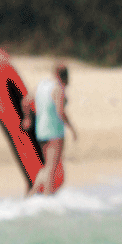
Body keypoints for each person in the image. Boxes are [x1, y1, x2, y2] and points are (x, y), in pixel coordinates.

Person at [21, 63, 77, 194]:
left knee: (47, 166)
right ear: (66, 76)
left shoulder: (42, 85)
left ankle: (31, 195)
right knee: (52, 168)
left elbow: (26, 101)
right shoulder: (58, 89)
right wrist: (72, 128)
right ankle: (47, 197)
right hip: (55, 131)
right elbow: (60, 112)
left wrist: (27, 118)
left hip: (41, 130)